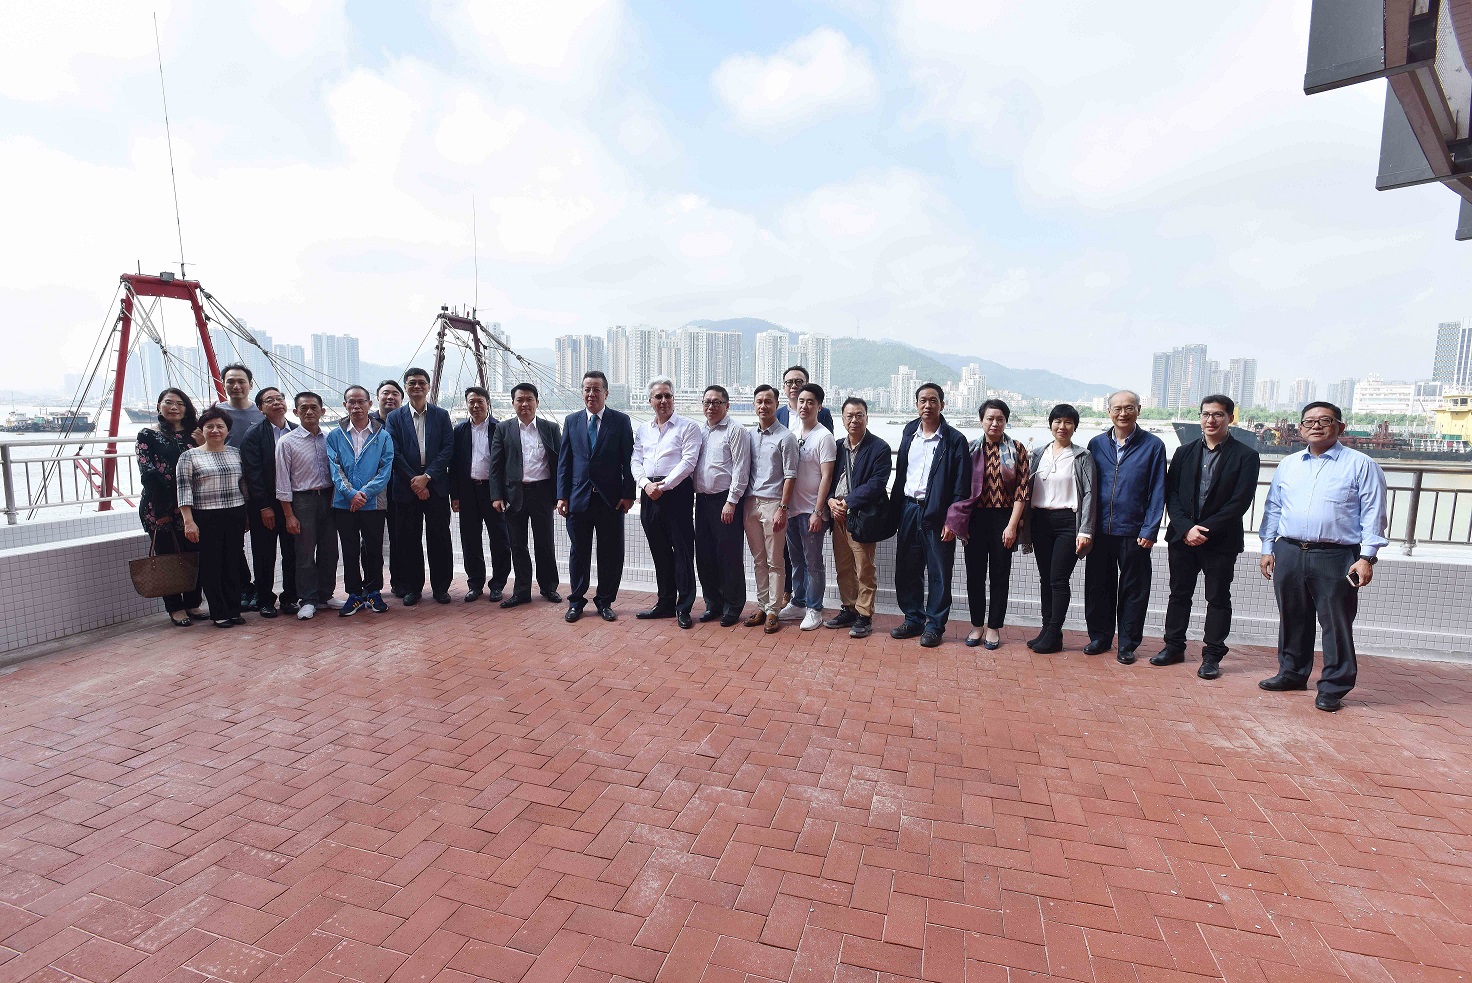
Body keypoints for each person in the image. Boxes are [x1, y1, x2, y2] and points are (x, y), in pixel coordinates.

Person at [1258, 401, 1388, 712]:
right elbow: (1274, 507)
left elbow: (1374, 512)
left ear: (1340, 427)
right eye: (1309, 421)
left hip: (1336, 555)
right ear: (1301, 428)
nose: (1316, 426)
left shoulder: (1361, 464)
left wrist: (1367, 557)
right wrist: (1267, 547)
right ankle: (1292, 672)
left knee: (1335, 623)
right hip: (1289, 550)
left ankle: (1334, 686)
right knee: (1293, 616)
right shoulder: (1289, 464)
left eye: (1325, 420)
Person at [1154, 394, 1261, 678]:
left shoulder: (1246, 456)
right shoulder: (1184, 452)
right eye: (1206, 414)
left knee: (1218, 598)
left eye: (1218, 415)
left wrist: (1204, 530)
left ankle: (1212, 656)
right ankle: (1173, 646)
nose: (1210, 420)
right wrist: (1186, 528)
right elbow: (1171, 494)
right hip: (1182, 538)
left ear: (1230, 418)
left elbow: (1240, 502)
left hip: (1221, 542)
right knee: (1179, 595)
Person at [1084, 390, 1167, 665]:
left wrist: (1150, 529)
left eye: (1129, 408)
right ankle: (1100, 637)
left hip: (1134, 531)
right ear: (1109, 412)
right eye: (1117, 408)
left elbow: (1158, 490)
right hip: (1100, 530)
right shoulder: (1096, 444)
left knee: (1134, 590)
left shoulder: (1153, 445)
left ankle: (1128, 644)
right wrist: (1085, 527)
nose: (1123, 413)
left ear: (1138, 410)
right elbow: (1087, 487)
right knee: (1098, 586)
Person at [889, 384, 971, 647]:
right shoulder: (909, 432)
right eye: (923, 400)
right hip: (909, 508)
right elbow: (902, 472)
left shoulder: (954, 440)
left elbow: (961, 485)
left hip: (938, 512)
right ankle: (913, 619)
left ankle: (935, 625)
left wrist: (953, 520)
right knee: (907, 568)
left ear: (942, 405)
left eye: (933, 400)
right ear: (916, 404)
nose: (928, 405)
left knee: (939, 572)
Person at [946, 399, 1031, 649]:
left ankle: (994, 627)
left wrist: (1012, 525)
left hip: (1005, 518)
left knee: (1000, 575)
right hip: (975, 519)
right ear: (981, 420)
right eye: (990, 418)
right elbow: (959, 486)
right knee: (974, 575)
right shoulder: (971, 448)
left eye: (1000, 419)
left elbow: (1022, 491)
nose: (995, 423)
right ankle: (976, 625)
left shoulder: (1017, 449)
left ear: (1006, 421)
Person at [557, 370, 635, 623]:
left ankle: (605, 601)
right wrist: (562, 496)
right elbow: (564, 462)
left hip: (610, 500)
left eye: (596, 389)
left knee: (610, 554)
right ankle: (576, 602)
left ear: (606, 393)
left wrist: (628, 494)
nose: (591, 394)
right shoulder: (572, 421)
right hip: (578, 499)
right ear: (582, 392)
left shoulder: (620, 421)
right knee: (578, 554)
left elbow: (629, 461)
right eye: (587, 389)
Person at [1019, 404, 1096, 654]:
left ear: (1075, 427)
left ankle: (1054, 632)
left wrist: (1085, 530)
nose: (1062, 427)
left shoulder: (1082, 456)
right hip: (1041, 521)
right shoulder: (1038, 454)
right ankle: (1047, 630)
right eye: (1057, 421)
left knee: (1058, 579)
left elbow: (1090, 494)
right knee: (1045, 578)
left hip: (1068, 523)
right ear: (1050, 424)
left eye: (1068, 422)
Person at [632, 377, 702, 628]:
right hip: (649, 493)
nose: (663, 400)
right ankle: (664, 603)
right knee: (659, 551)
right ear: (650, 401)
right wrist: (645, 484)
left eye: (668, 396)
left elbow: (688, 462)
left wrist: (664, 485)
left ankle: (684, 607)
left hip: (676, 493)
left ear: (674, 398)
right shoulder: (643, 429)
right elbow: (635, 460)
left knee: (682, 552)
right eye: (658, 396)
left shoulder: (689, 427)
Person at [386, 367, 455, 605]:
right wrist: (415, 481)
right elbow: (393, 452)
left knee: (439, 538)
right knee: (408, 540)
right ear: (406, 387)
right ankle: (413, 588)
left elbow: (448, 449)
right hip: (406, 488)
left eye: (421, 382)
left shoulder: (441, 415)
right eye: (412, 382)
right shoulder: (394, 418)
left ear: (428, 386)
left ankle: (441, 588)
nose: (417, 386)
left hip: (436, 486)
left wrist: (427, 477)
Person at [489, 383, 562, 607]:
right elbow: (496, 465)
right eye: (519, 400)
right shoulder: (504, 428)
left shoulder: (550, 428)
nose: (524, 404)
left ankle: (549, 587)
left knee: (545, 543)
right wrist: (497, 496)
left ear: (537, 402)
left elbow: (560, 464)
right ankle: (521, 591)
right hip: (514, 495)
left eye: (529, 399)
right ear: (513, 403)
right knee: (517, 545)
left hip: (542, 494)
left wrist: (560, 495)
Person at [825, 396, 891, 639]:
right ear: (842, 419)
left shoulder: (879, 447)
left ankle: (864, 614)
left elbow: (877, 483)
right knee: (843, 567)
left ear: (866, 418)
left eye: (859, 415)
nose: (854, 420)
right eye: (849, 416)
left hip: (861, 517)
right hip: (837, 515)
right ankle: (849, 608)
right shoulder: (837, 446)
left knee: (864, 568)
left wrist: (847, 502)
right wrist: (830, 501)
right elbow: (826, 479)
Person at [177, 407, 249, 628]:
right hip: (206, 515)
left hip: (235, 512)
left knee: (233, 562)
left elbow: (244, 486)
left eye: (220, 426)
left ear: (228, 430)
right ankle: (218, 612)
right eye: (210, 426)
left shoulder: (236, 453)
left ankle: (234, 609)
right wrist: (189, 521)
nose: (215, 430)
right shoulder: (189, 456)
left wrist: (247, 514)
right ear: (202, 429)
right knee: (211, 564)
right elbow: (183, 490)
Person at [326, 385, 394, 616]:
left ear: (369, 404)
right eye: (351, 402)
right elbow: (335, 469)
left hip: (374, 504)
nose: (356, 406)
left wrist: (363, 494)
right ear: (345, 405)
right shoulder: (335, 435)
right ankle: (354, 594)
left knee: (374, 549)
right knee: (350, 550)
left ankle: (374, 592)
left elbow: (385, 470)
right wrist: (350, 494)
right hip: (344, 504)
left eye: (360, 401)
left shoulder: (383, 436)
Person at [137, 388, 203, 625]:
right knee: (168, 556)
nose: (174, 407)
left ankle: (193, 603)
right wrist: (164, 510)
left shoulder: (195, 434)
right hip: (159, 506)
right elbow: (148, 472)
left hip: (193, 504)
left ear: (187, 408)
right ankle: (175, 608)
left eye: (180, 403)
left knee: (195, 554)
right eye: (168, 402)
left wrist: (203, 443)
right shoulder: (148, 435)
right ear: (159, 406)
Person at [275, 391, 339, 620]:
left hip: (329, 498)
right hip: (302, 501)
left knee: (330, 551)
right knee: (304, 553)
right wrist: (289, 515)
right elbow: (282, 481)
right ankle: (308, 599)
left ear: (323, 411)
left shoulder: (330, 438)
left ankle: (325, 595)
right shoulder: (286, 442)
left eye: (314, 407)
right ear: (295, 412)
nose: (309, 412)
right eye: (304, 408)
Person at [780, 383, 837, 631]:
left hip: (811, 511)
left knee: (813, 562)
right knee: (796, 561)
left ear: (819, 406)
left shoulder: (824, 437)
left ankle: (815, 609)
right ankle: (798, 602)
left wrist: (818, 511)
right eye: (801, 401)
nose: (804, 406)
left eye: (810, 402)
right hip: (792, 509)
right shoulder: (792, 434)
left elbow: (827, 477)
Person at [693, 385, 751, 627]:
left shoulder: (736, 430)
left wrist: (731, 501)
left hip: (725, 501)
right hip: (702, 501)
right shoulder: (699, 431)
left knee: (729, 555)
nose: (711, 406)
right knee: (705, 555)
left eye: (716, 402)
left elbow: (741, 468)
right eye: (707, 402)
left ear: (727, 405)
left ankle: (733, 606)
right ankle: (713, 604)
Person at [742, 385, 797, 634]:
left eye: (768, 401)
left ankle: (774, 610)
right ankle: (762, 606)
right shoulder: (749, 435)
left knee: (775, 561)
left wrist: (783, 508)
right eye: (759, 402)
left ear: (776, 404)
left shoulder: (786, 437)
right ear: (754, 405)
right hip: (750, 503)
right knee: (758, 560)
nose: (763, 406)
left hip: (774, 503)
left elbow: (790, 475)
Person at [240, 387, 299, 618]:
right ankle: (265, 599)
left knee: (292, 552)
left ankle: (290, 598)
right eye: (269, 400)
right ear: (260, 408)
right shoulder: (254, 434)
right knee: (264, 553)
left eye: (279, 398)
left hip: (293, 504)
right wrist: (264, 506)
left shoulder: (297, 430)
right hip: (265, 505)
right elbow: (253, 474)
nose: (276, 402)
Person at [451, 386, 512, 603]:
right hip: (468, 490)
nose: (475, 406)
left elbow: (507, 463)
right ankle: (475, 584)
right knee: (470, 539)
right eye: (471, 402)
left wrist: (504, 494)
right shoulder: (459, 431)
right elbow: (453, 465)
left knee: (500, 539)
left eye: (480, 401)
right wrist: (455, 495)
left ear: (488, 403)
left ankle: (498, 584)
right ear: (466, 404)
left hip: (493, 492)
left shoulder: (500, 428)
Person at [214, 363, 264, 610]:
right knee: (232, 543)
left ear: (250, 384)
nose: (236, 386)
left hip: (258, 488)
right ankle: (244, 586)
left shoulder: (261, 413)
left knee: (261, 542)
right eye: (230, 382)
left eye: (241, 381)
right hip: (227, 489)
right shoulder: (215, 414)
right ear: (223, 385)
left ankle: (261, 589)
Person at [373, 380, 407, 597]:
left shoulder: (406, 422)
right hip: (372, 491)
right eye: (386, 393)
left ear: (401, 399)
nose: (390, 397)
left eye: (395, 394)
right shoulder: (367, 422)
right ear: (377, 397)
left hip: (398, 489)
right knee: (371, 539)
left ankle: (399, 582)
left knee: (399, 538)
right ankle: (372, 584)